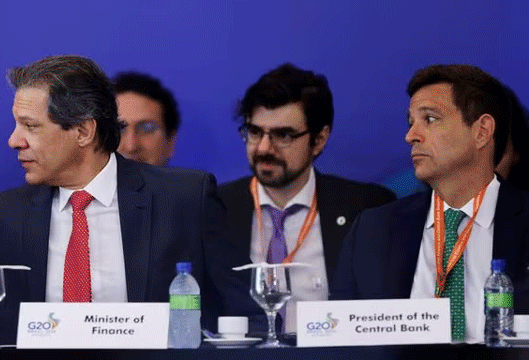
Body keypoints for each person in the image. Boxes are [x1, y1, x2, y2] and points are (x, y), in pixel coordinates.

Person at [0, 55, 255, 345]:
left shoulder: (185, 200)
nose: (14, 140)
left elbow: (249, 316)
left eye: (30, 126)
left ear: (83, 131)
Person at [332, 64, 529, 344]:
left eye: (430, 119)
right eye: (411, 122)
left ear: (482, 131)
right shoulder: (372, 230)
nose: (411, 136)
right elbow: (339, 338)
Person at [217, 63, 395, 331]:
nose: (264, 148)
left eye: (283, 135)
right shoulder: (216, 208)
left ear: (319, 139)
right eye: (255, 132)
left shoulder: (367, 207)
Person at [113, 71, 180, 166]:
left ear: (171, 142)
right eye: (117, 128)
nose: (131, 146)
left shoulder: (202, 180)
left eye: (146, 128)